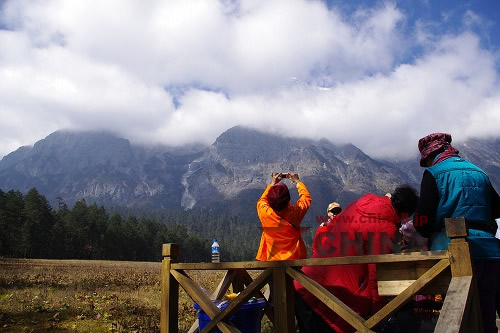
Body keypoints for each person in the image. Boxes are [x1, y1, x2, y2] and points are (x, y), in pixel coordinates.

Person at [403, 132, 500, 333]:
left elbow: (424, 222)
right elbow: (497, 209)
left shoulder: (435, 173)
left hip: (454, 255)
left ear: (430, 155)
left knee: (458, 317)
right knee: (486, 315)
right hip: (491, 253)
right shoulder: (479, 172)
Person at [294, 185, 419, 333]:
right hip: (333, 299)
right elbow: (376, 274)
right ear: (405, 214)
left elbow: (330, 226)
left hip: (306, 281)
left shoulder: (361, 203)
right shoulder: (386, 229)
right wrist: (378, 312)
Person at [256, 172, 312, 261]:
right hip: (294, 261)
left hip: (271, 261)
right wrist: (297, 181)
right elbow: (306, 198)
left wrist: (272, 184)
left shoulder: (265, 213)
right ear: (288, 198)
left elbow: (262, 200)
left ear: (270, 200)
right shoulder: (295, 213)